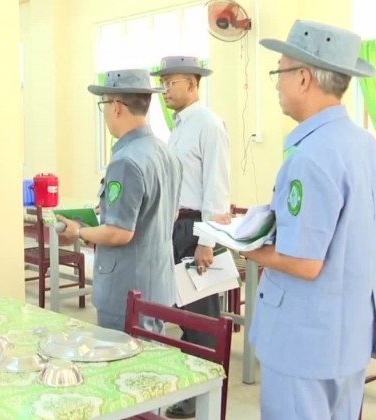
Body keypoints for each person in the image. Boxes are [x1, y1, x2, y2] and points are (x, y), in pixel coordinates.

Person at [241, 20, 376, 420]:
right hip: (349, 337)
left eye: (279, 72)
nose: (277, 84)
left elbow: (305, 262)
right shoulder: (367, 148)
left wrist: (245, 246)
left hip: (303, 341)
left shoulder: (310, 156)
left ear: (303, 78)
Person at [58, 69, 183, 333]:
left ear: (116, 107)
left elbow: (119, 232)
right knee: (151, 355)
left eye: (103, 105)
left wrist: (78, 231)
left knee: (123, 355)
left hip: (127, 290)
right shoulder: (167, 154)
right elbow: (169, 214)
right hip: (157, 286)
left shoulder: (126, 160)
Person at [151, 56, 230, 419]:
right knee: (183, 315)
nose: (165, 90)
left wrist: (207, 241)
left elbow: (217, 187)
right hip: (176, 228)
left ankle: (204, 398)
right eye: (163, 83)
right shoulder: (180, 127)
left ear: (193, 84)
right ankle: (191, 391)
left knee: (201, 322)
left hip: (196, 230)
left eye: (171, 83)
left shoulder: (208, 125)